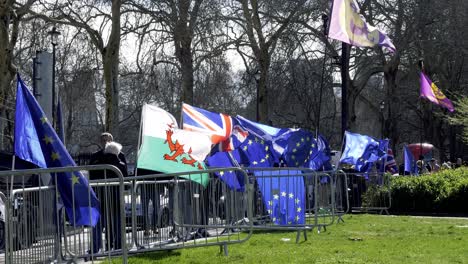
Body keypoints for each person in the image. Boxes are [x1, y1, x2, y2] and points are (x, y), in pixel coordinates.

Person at [89, 132, 128, 254]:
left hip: (115, 195)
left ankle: (118, 246)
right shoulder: (96, 156)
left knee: (116, 222)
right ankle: (96, 248)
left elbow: (124, 175)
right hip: (100, 195)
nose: (106, 142)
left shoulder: (120, 155)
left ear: (112, 141)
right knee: (99, 223)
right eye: (103, 140)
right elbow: (92, 173)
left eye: (108, 140)